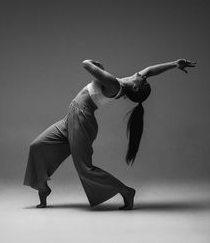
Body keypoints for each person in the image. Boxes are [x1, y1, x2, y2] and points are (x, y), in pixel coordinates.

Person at [23, 58, 196, 209]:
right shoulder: (130, 81)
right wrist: (174, 64)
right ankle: (42, 186)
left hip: (82, 120)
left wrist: (96, 65)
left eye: (143, 80)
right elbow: (151, 70)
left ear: (135, 88)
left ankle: (126, 191)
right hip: (71, 117)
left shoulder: (114, 84)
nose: (142, 76)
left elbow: (86, 64)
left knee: (84, 168)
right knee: (37, 146)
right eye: (143, 77)